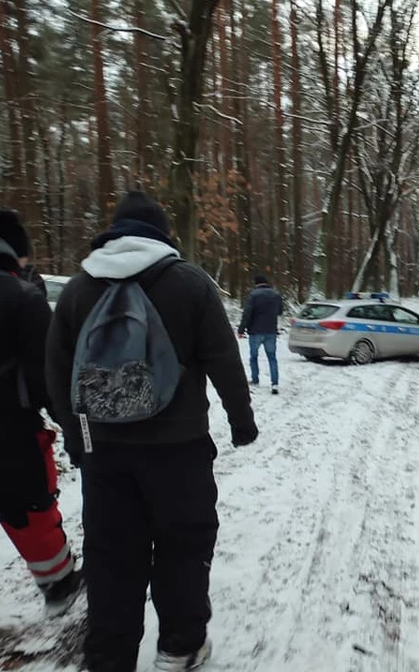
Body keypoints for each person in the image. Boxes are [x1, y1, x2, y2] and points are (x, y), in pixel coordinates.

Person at [46, 191, 259, 672]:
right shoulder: (188, 283)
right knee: (183, 547)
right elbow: (224, 359)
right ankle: (180, 648)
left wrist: (78, 440)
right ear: (163, 235)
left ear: (113, 233)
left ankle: (108, 658)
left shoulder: (80, 288)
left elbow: (57, 372)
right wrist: (241, 422)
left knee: (112, 556)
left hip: (105, 455)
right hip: (179, 450)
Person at [0, 209, 82, 616]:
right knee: (30, 510)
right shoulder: (22, 299)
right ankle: (59, 585)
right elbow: (50, 382)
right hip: (7, 432)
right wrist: (77, 432)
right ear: (15, 252)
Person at [237, 273, 283, 395]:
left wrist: (241, 329)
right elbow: (280, 311)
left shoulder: (253, 295)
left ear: (256, 283)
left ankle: (255, 379)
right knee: (272, 358)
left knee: (253, 357)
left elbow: (247, 313)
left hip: (255, 331)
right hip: (271, 331)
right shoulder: (276, 294)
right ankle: (275, 383)